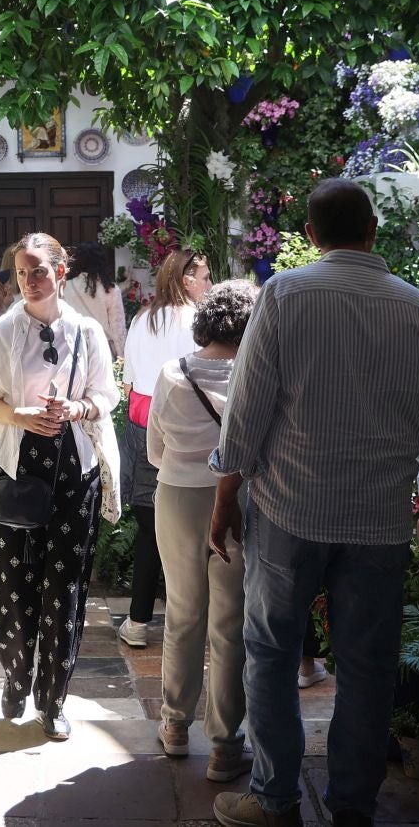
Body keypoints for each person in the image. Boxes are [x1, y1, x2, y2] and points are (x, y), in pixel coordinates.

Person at [209, 180, 419, 827]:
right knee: (368, 665)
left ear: (313, 234)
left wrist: (225, 494)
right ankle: (353, 807)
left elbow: (246, 413)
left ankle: (276, 801)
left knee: (269, 652)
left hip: (290, 512)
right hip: (379, 521)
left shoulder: (286, 295)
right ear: (373, 229)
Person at [0, 232, 121, 741]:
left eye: (38, 270)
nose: (29, 281)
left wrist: (78, 409)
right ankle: (16, 678)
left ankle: (53, 699)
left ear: (61, 272)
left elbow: (108, 393)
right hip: (16, 466)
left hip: (72, 469)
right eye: (21, 272)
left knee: (66, 588)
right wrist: (20, 415)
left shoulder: (86, 331)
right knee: (9, 586)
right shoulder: (0, 332)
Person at [147, 279, 258, 782]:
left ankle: (173, 727)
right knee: (229, 624)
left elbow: (154, 449)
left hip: (175, 497)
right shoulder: (255, 377)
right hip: (235, 502)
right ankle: (224, 747)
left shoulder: (172, 373)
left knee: (183, 614)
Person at [117, 248, 213, 647]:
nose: (209, 285)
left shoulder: (143, 319)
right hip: (193, 432)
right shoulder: (202, 322)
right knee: (202, 529)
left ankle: (138, 622)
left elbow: (129, 384)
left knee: (150, 530)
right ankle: (202, 625)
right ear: (188, 280)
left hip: (144, 429)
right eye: (205, 277)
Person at [61, 241, 127, 354]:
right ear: (101, 262)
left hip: (73, 348)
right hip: (102, 349)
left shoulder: (65, 287)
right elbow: (118, 328)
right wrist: (122, 358)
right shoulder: (110, 290)